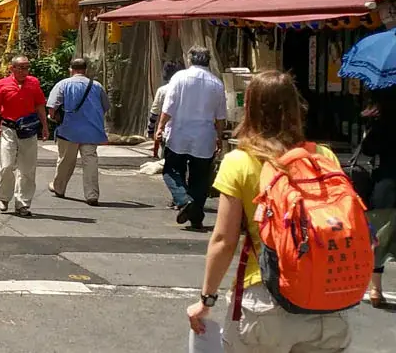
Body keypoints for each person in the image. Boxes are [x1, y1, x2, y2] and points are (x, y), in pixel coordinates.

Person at [186, 71, 351, 351]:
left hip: (264, 298)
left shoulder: (239, 162)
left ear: (249, 109)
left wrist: (206, 299)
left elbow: (225, 241)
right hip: (326, 301)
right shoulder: (324, 156)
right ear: (296, 108)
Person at [156, 47, 226, 230]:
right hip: (204, 137)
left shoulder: (179, 78)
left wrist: (160, 127)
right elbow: (220, 117)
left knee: (171, 171)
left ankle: (183, 199)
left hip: (179, 134)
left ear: (190, 59)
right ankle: (196, 218)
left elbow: (169, 106)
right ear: (208, 61)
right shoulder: (217, 83)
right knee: (200, 178)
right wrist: (218, 137)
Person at [0, 55, 49, 216]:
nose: (24, 71)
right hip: (9, 128)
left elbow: (40, 105)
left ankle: (23, 203)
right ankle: (4, 198)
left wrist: (45, 127)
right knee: (7, 166)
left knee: (27, 168)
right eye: (20, 68)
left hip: (28, 129)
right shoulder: (2, 84)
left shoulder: (34, 83)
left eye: (26, 67)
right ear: (12, 68)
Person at [47, 57, 109, 206]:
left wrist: (54, 118)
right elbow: (105, 106)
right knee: (90, 162)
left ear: (71, 69)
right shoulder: (97, 86)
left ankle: (59, 188)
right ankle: (92, 195)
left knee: (65, 161)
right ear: (85, 70)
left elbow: (52, 107)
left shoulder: (62, 84)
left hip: (69, 130)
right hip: (92, 131)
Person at [362, 88, 396, 307]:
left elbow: (368, 149)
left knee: (380, 239)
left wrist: (370, 127)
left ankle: (376, 289)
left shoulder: (384, 120)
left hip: (387, 186)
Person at [149, 61, 181, 160]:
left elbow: (154, 112)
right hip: (186, 131)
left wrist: (151, 130)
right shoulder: (186, 90)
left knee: (166, 160)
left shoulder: (162, 90)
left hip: (167, 131)